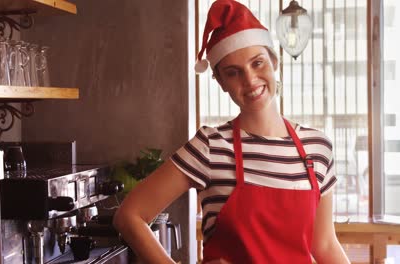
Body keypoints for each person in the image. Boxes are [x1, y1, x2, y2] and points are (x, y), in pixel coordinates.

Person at [113, 0, 350, 263]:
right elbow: (129, 216)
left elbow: (325, 245)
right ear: (221, 82)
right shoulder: (211, 147)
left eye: (258, 63)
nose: (250, 80)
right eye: (233, 72)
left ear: (274, 61)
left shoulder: (317, 147)